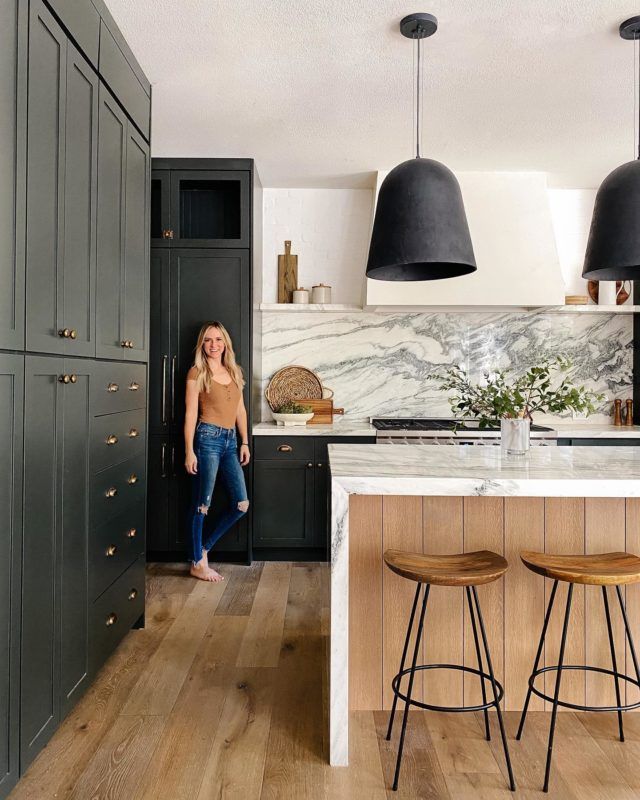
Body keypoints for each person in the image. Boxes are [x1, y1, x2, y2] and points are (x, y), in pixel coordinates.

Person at [184, 321, 250, 582]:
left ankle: (202, 549)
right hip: (207, 439)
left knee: (241, 504)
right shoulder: (197, 373)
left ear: (226, 343)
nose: (214, 345)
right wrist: (189, 451)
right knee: (203, 504)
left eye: (219, 339)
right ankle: (197, 564)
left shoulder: (234, 371)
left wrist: (244, 442)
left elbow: (240, 410)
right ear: (203, 343)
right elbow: (190, 414)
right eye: (209, 340)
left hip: (231, 442)